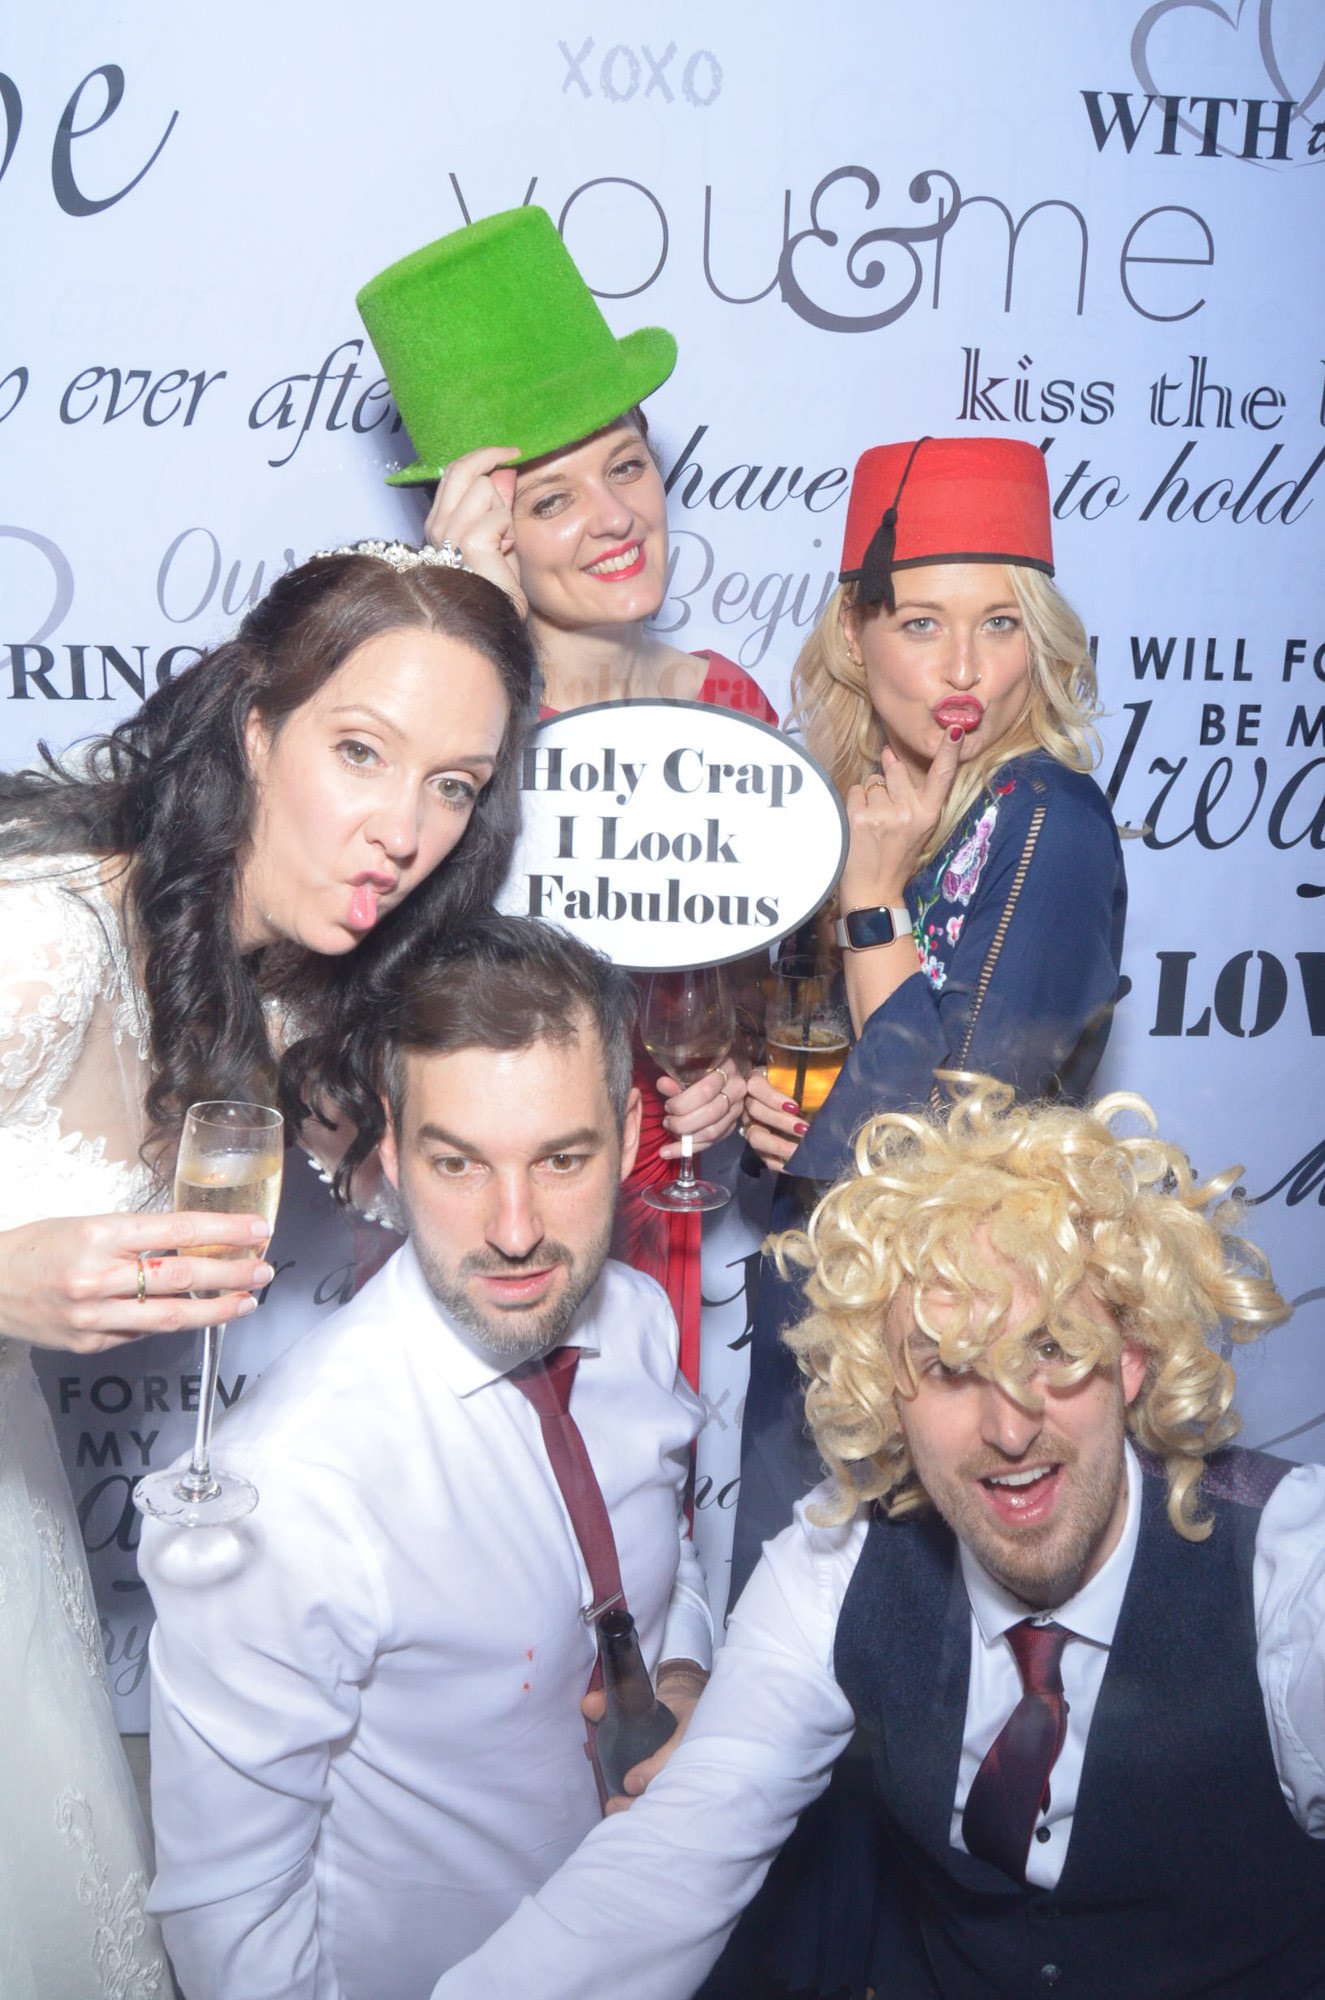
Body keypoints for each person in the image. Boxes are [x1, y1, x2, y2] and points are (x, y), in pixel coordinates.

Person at [427, 1074, 1325, 2000]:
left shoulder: (1289, 1564)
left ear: (1129, 1358)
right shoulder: (836, 1563)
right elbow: (672, 1857)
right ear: (884, 1393)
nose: (1009, 1429)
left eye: (1051, 1348)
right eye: (948, 1369)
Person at [0, 544, 532, 2000]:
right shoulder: (38, 939)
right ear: (255, 731)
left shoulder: (276, 980)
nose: (404, 831)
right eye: (359, 751)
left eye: (453, 785)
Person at [142, 916, 712, 2000]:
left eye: (562, 1158)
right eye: (459, 1163)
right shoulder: (292, 1491)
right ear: (394, 1151)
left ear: (631, 1129)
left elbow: (667, 1563)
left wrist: (682, 1673)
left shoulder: (639, 1322)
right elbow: (231, 1927)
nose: (514, 1229)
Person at [356, 205, 777, 1381]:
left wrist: (731, 1070)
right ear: (490, 532)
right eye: (551, 499)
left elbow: (740, 979)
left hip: (657, 1211)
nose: (614, 517)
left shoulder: (728, 704)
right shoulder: (444, 733)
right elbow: (388, 969)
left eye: (626, 465)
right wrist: (469, 634)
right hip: (495, 1216)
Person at [733, 435, 1128, 1595]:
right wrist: (777, 1113)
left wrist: (869, 902)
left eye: (998, 623)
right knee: (787, 1655)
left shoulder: (1045, 818)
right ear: (855, 637)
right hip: (837, 1317)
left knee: (892, 1664)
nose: (962, 666)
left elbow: (942, 1134)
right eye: (919, 623)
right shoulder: (891, 806)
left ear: (1038, 640)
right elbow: (853, 1088)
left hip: (956, 1352)